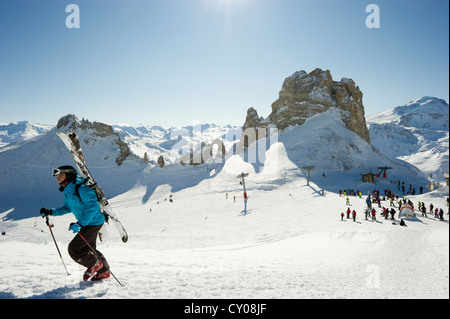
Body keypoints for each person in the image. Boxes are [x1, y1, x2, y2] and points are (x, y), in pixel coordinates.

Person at [40, 165, 110, 282]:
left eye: (61, 176)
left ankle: (95, 264)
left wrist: (80, 224)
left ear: (69, 175)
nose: (58, 179)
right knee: (89, 248)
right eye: (57, 177)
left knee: (75, 249)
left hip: (93, 222)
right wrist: (51, 211)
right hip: (88, 222)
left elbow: (94, 206)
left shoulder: (82, 188)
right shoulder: (69, 190)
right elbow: (68, 208)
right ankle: (103, 272)